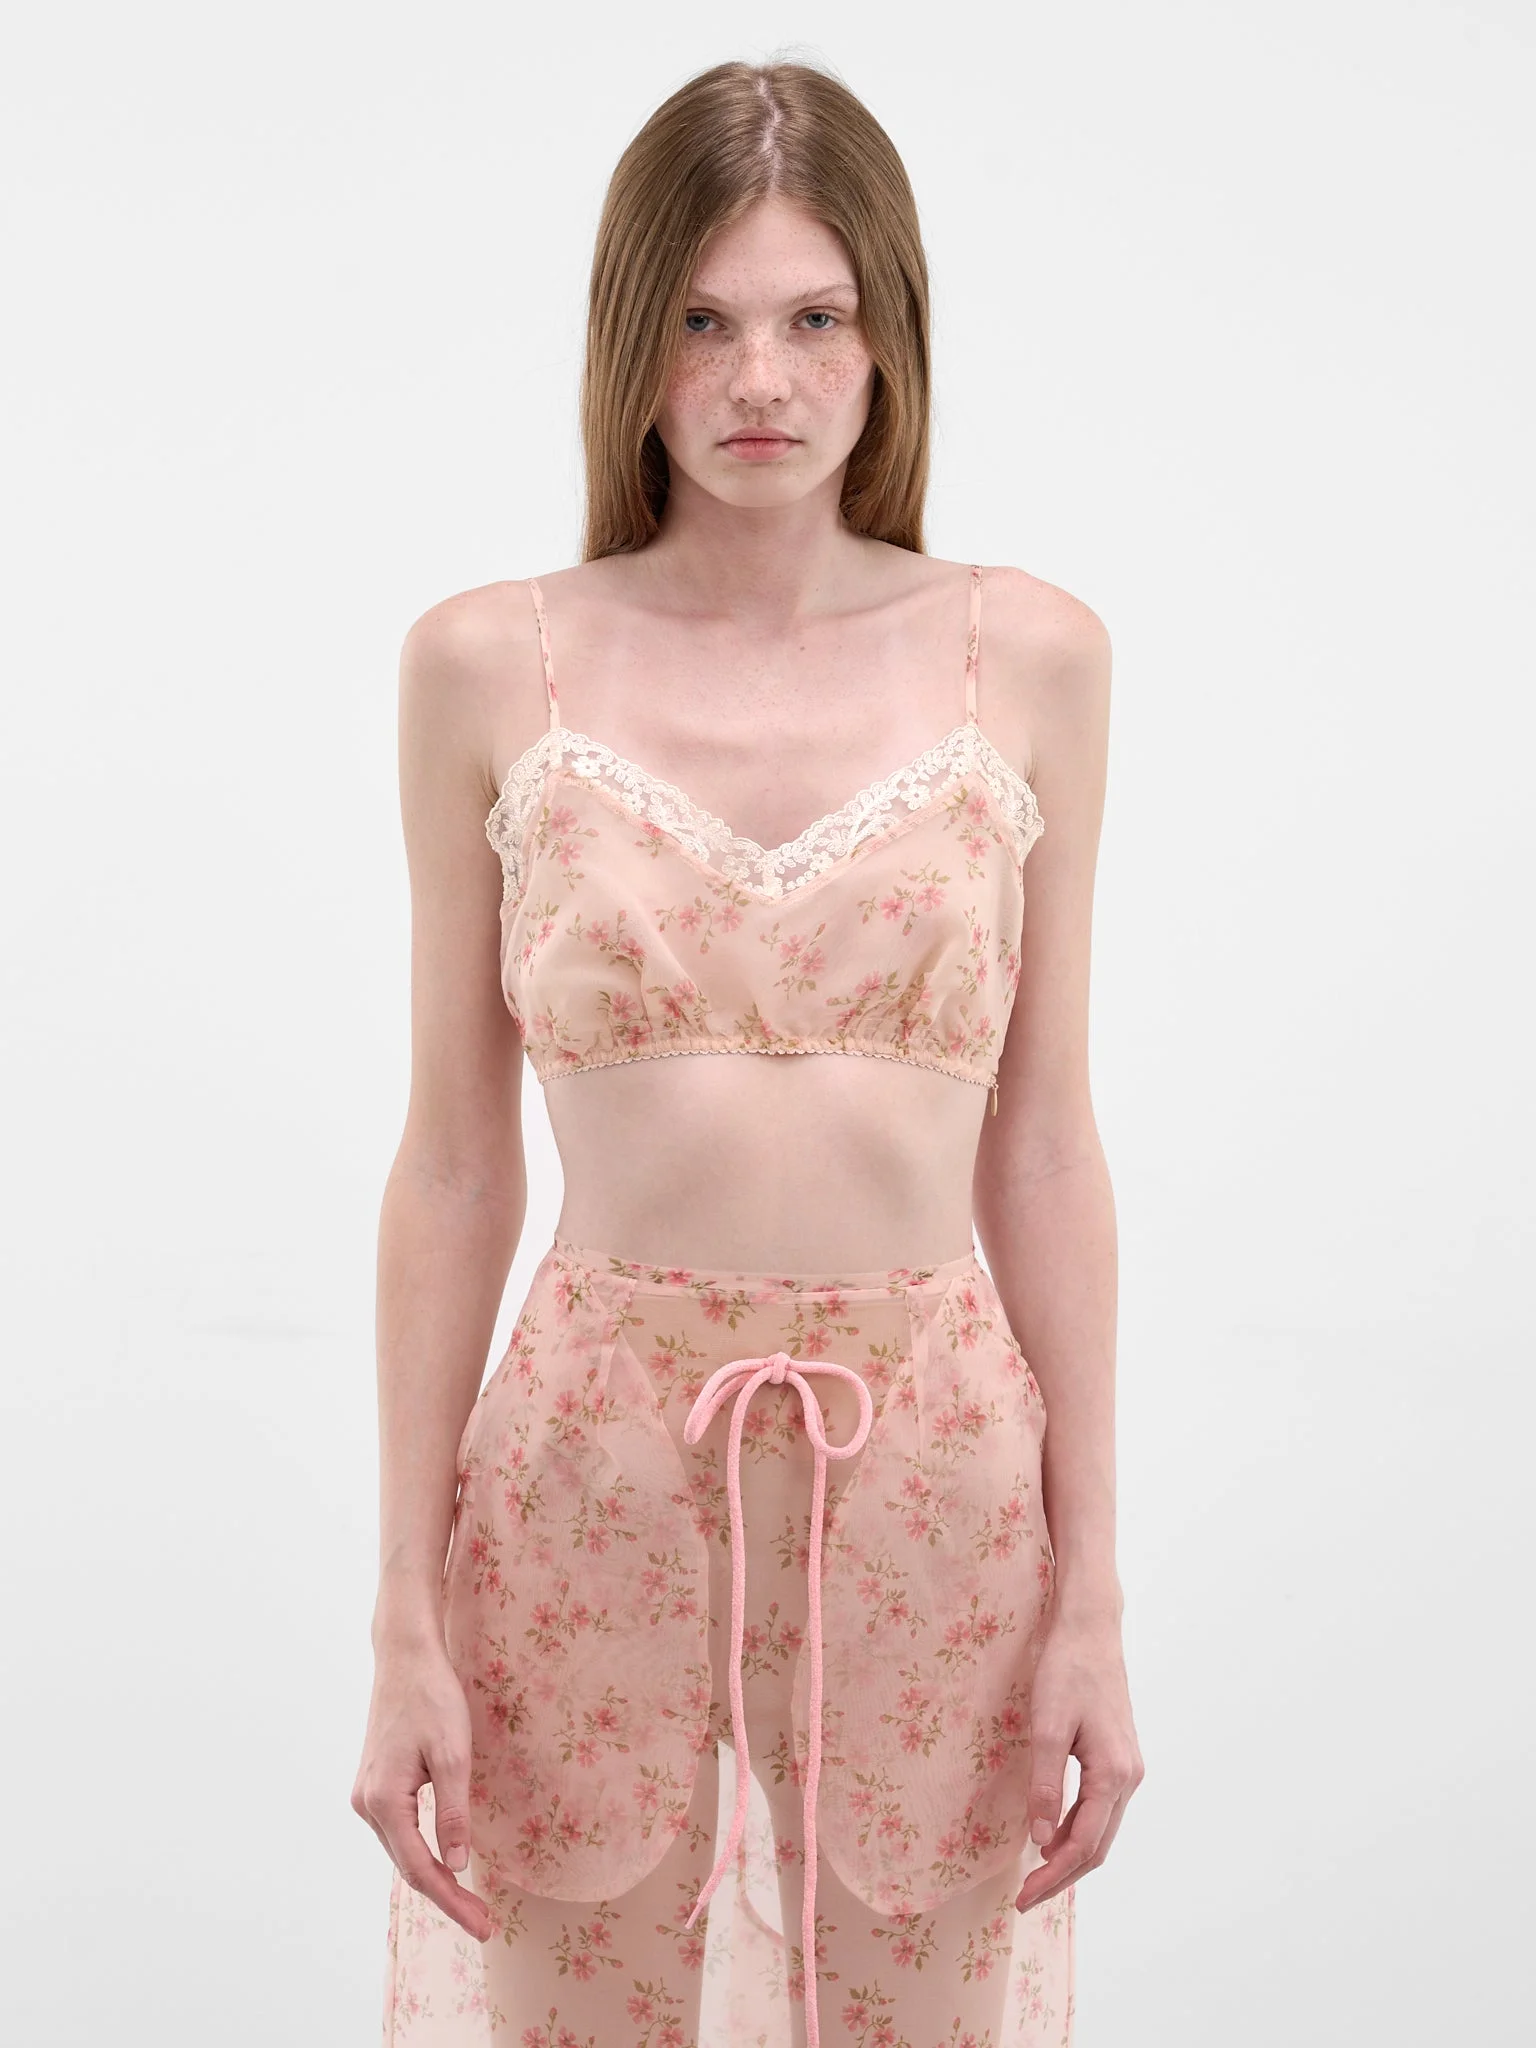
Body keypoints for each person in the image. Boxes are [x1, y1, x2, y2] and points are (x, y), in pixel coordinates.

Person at [353, 56, 1141, 2048]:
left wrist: (1096, 1592)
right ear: (631, 343)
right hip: (589, 1462)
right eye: (703, 322)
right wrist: (402, 1611)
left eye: (814, 318)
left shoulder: (1033, 656)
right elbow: (453, 1160)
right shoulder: (486, 663)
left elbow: (1047, 1146)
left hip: (938, 1470)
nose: (760, 379)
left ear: (891, 341)